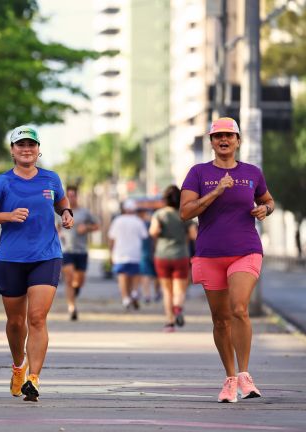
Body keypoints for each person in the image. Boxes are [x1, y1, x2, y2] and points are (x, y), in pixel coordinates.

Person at [180, 117, 274, 403]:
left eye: (229, 136)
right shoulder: (198, 173)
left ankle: (245, 374)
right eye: (218, 136)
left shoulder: (251, 172)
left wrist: (264, 210)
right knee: (220, 320)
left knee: (239, 308)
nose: (224, 140)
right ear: (211, 142)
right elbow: (185, 212)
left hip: (245, 249)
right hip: (209, 253)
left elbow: (268, 200)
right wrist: (217, 191)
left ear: (238, 141)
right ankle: (230, 378)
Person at [0, 125, 73, 402]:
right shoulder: (2, 183)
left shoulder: (51, 178)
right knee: (16, 322)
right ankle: (19, 366)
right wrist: (7, 216)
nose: (26, 149)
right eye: (21, 145)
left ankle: (34, 379)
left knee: (37, 318)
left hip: (46, 256)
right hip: (10, 260)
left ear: (39, 150)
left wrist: (66, 212)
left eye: (31, 145)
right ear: (13, 151)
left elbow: (61, 200)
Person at [150, 185, 196, 332]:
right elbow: (194, 235)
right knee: (179, 290)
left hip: (162, 255)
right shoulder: (185, 215)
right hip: (181, 256)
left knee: (166, 291)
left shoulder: (159, 214)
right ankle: (178, 308)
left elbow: (153, 232)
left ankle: (169, 323)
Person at [59, 185, 99, 321]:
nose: (71, 198)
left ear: (76, 196)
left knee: (79, 281)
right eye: (68, 196)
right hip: (66, 250)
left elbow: (97, 225)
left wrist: (86, 227)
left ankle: (75, 291)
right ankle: (72, 308)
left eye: (73, 196)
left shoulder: (84, 212)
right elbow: (54, 227)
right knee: (69, 278)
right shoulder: (60, 212)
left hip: (81, 251)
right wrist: (59, 233)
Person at [108, 199, 149, 310]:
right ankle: (135, 292)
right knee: (135, 275)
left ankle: (125, 298)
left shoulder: (117, 221)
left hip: (120, 253)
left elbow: (112, 238)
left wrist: (110, 253)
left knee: (122, 276)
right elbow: (145, 236)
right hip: (135, 252)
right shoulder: (138, 221)